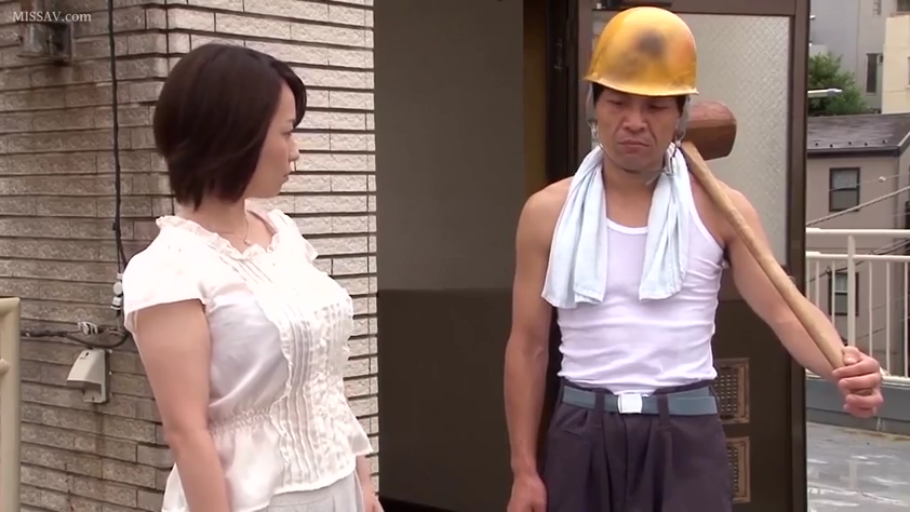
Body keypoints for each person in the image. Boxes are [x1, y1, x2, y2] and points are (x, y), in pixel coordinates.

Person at [503, 7, 884, 512]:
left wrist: (842, 366)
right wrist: (524, 470)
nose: (634, 122)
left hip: (684, 429)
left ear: (681, 114)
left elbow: (783, 309)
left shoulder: (721, 208)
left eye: (656, 107)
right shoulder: (548, 212)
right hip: (581, 427)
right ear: (593, 104)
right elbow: (528, 345)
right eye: (618, 101)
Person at [121, 43, 382, 512]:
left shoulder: (282, 233)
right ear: (233, 137)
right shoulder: (170, 269)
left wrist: (363, 484)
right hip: (255, 501)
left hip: (338, 485)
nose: (296, 151)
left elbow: (324, 382)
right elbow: (187, 432)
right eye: (286, 132)